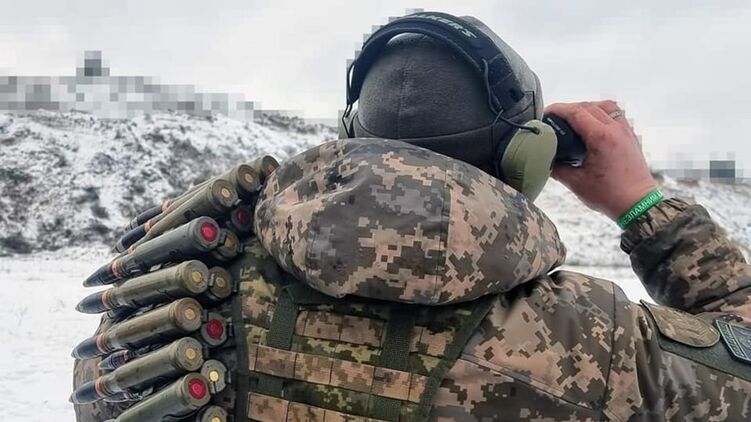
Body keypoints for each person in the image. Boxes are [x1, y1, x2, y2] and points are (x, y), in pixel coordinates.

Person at [72, 12, 751, 422]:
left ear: (351, 134)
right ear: (527, 158)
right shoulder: (595, 342)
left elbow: (99, 394)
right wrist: (642, 202)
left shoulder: (185, 282)